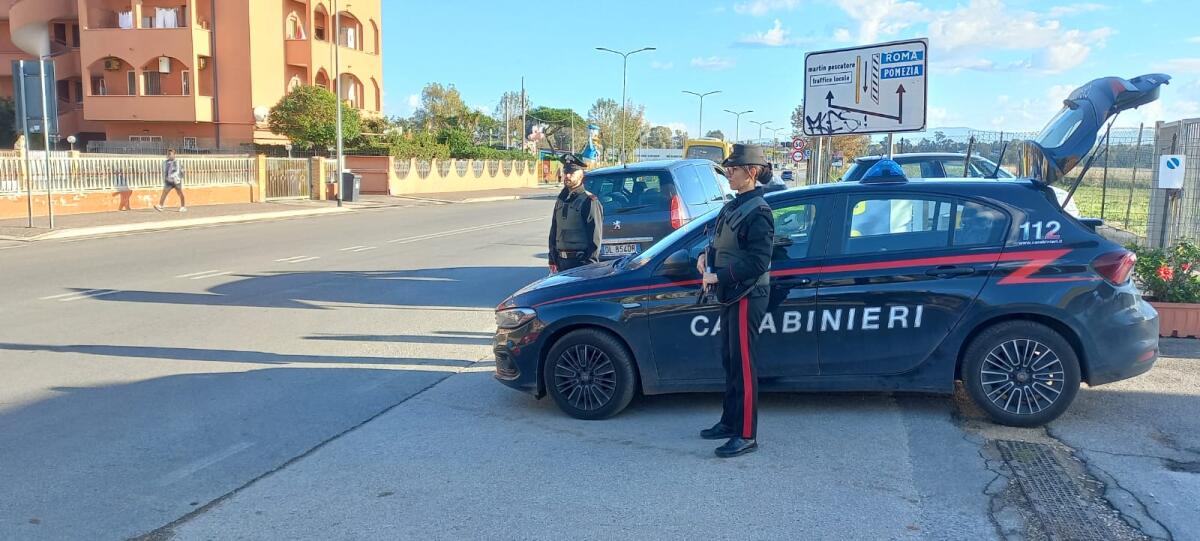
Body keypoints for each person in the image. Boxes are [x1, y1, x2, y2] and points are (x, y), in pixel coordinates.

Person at [696, 144, 775, 458]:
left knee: (743, 365)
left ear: (751, 172)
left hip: (746, 295)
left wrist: (719, 276)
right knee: (729, 360)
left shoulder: (760, 212)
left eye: (734, 168)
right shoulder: (734, 205)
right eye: (727, 167)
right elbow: (717, 239)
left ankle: (746, 434)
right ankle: (729, 422)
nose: (727, 172)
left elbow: (758, 262)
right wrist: (704, 258)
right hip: (731, 293)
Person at [548, 154, 602, 273]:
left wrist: (590, 265)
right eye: (565, 172)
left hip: (580, 263)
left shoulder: (589, 201)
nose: (567, 176)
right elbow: (554, 230)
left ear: (581, 175)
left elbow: (594, 237)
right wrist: (552, 258)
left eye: (571, 173)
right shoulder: (561, 199)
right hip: (560, 262)